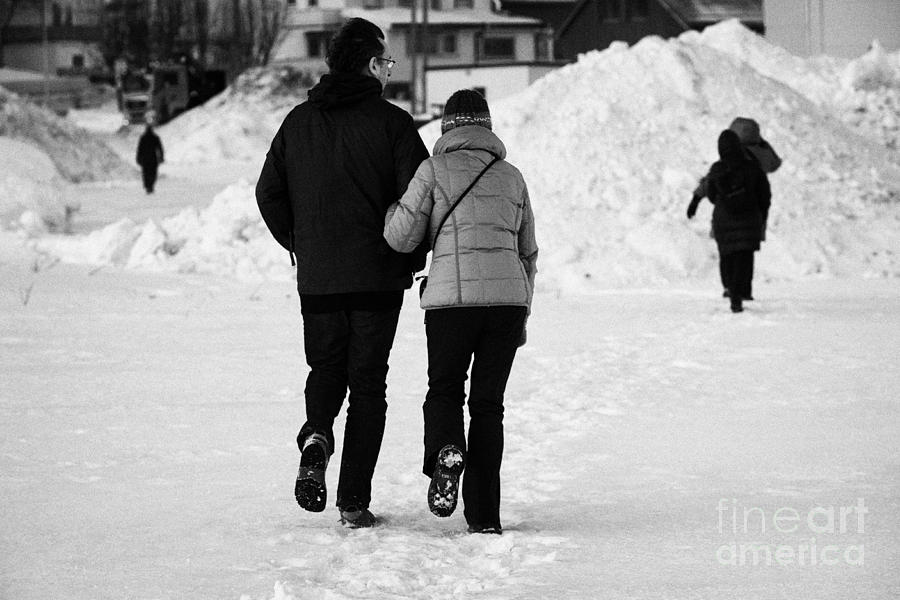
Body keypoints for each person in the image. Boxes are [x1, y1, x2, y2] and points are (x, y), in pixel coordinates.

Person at [255, 18, 429, 528]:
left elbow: (268, 192)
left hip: (320, 280)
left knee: (326, 370)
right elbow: (419, 201)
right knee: (368, 387)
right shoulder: (394, 125)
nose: (389, 70)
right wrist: (409, 254)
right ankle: (353, 501)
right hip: (377, 279)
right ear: (372, 64)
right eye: (387, 61)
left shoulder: (297, 122)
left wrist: (301, 243)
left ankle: (315, 436)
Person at [383, 89, 538, 534]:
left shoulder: (432, 170)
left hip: (451, 305)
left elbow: (400, 237)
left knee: (445, 390)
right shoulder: (512, 176)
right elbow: (528, 252)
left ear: (447, 127)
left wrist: (395, 206)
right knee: (489, 407)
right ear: (486, 127)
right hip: (507, 303)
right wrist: (522, 313)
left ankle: (448, 450)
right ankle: (485, 518)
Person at [687, 117, 780, 300]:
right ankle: (743, 290)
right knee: (746, 255)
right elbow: (774, 165)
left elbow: (710, 187)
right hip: (751, 215)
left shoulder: (721, 164)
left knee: (727, 254)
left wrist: (697, 199)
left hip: (724, 217)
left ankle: (730, 288)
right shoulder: (760, 158)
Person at [136, 124, 164, 194]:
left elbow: (139, 149)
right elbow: (160, 149)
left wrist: (138, 158)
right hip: (153, 158)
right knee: (153, 173)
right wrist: (161, 157)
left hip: (145, 159)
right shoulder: (155, 137)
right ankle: (150, 186)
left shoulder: (143, 138)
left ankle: (148, 186)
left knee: (146, 173)